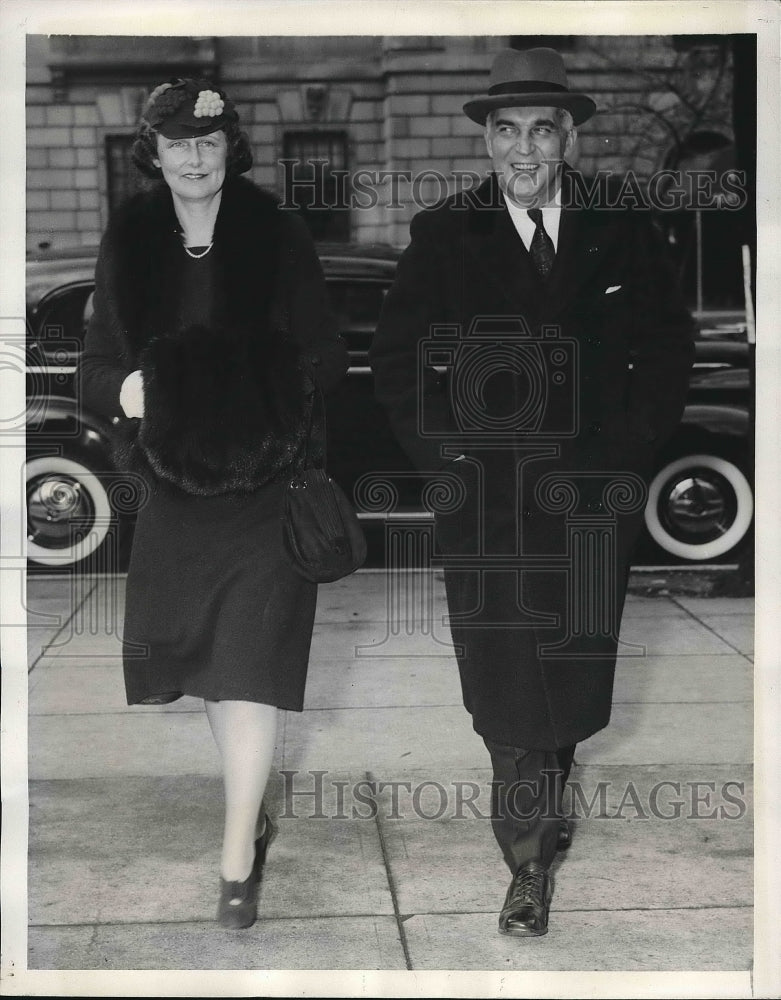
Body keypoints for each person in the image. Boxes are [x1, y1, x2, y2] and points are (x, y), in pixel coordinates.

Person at [369, 48, 695, 936]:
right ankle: (527, 860)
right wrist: (448, 461)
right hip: (488, 501)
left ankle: (547, 792)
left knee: (574, 670)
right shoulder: (445, 233)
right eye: (506, 131)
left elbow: (666, 348)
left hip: (591, 497)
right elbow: (398, 364)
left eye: (541, 131)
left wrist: (627, 451)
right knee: (507, 676)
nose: (523, 149)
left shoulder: (620, 225)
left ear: (568, 138)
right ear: (486, 140)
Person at [79, 78, 348, 930]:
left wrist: (262, 406)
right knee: (207, 667)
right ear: (152, 154)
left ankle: (235, 859)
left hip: (265, 488)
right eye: (177, 144)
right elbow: (96, 365)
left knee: (250, 667)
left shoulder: (277, 233)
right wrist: (123, 391)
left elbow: (325, 358)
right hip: (175, 493)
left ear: (231, 146)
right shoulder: (128, 239)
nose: (193, 158)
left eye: (208, 141)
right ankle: (250, 809)